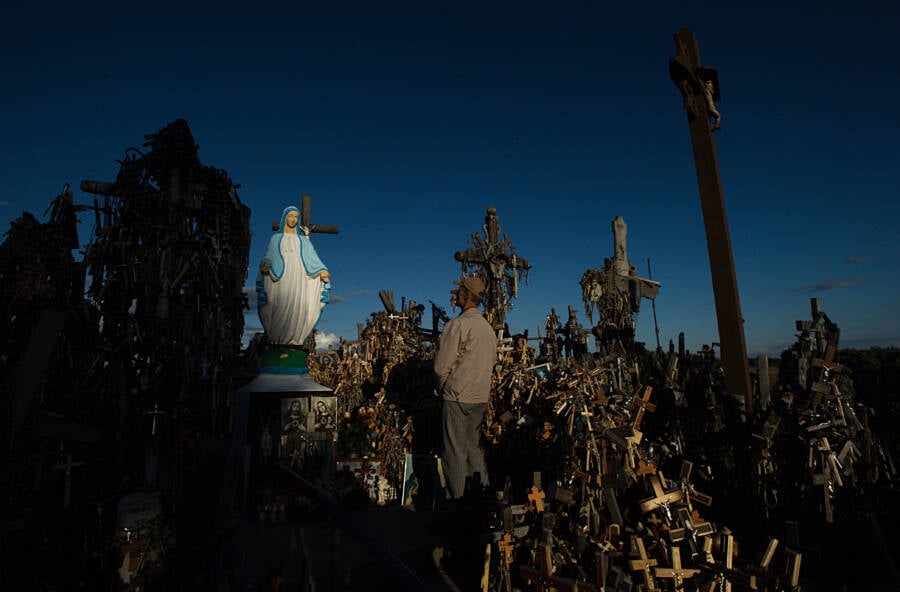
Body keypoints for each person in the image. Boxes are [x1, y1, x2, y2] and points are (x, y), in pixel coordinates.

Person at [434, 276, 497, 504]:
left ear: (468, 295)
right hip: (479, 398)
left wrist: (444, 389)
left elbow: (441, 368)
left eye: (460, 290)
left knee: (455, 453)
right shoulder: (487, 329)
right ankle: (483, 500)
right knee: (474, 449)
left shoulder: (458, 325)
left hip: (457, 397)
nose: (457, 294)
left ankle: (458, 506)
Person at [256, 206, 331, 346]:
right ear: (285, 218)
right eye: (291, 216)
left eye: (296, 217)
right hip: (282, 274)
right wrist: (266, 264)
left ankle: (294, 339)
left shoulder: (302, 240)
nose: (293, 219)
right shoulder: (276, 238)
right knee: (281, 302)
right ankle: (277, 338)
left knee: (298, 303)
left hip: (300, 273)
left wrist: (321, 269)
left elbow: (312, 257)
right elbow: (269, 255)